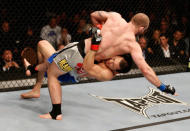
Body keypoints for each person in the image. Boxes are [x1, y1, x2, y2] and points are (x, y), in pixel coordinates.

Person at [21, 27, 132, 120]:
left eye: (113, 65)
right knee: (42, 45)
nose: (110, 61)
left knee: (52, 70)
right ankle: (36, 84)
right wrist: (95, 32)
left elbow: (88, 66)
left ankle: (56, 112)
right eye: (113, 59)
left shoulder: (106, 73)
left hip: (70, 73)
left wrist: (94, 45)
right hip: (71, 62)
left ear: (116, 71)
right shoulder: (111, 53)